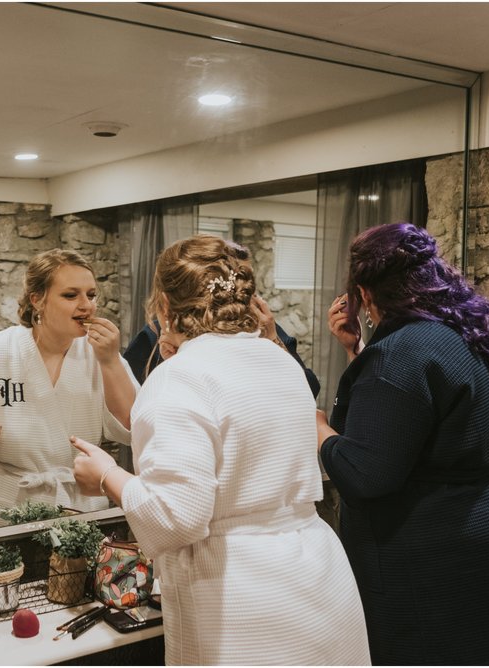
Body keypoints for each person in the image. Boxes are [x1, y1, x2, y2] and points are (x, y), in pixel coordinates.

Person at [71, 234, 371, 666]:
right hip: (317, 575)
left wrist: (105, 475)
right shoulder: (280, 360)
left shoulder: (180, 377)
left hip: (240, 594)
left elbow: (176, 517)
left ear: (167, 307)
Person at [316, 222, 489, 665]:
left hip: (442, 556)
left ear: (366, 293)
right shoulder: (470, 328)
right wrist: (357, 351)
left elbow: (364, 474)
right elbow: (410, 420)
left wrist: (319, 429)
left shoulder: (399, 356)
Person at [0, 248, 138, 529]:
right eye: (71, 295)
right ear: (37, 300)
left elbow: (132, 426)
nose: (87, 305)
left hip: (78, 506)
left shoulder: (100, 354)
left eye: (91, 295)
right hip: (6, 507)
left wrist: (110, 361)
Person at [123, 240, 321, 396]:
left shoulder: (265, 327)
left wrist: (272, 338)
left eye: (244, 281)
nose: (240, 289)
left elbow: (307, 388)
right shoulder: (157, 334)